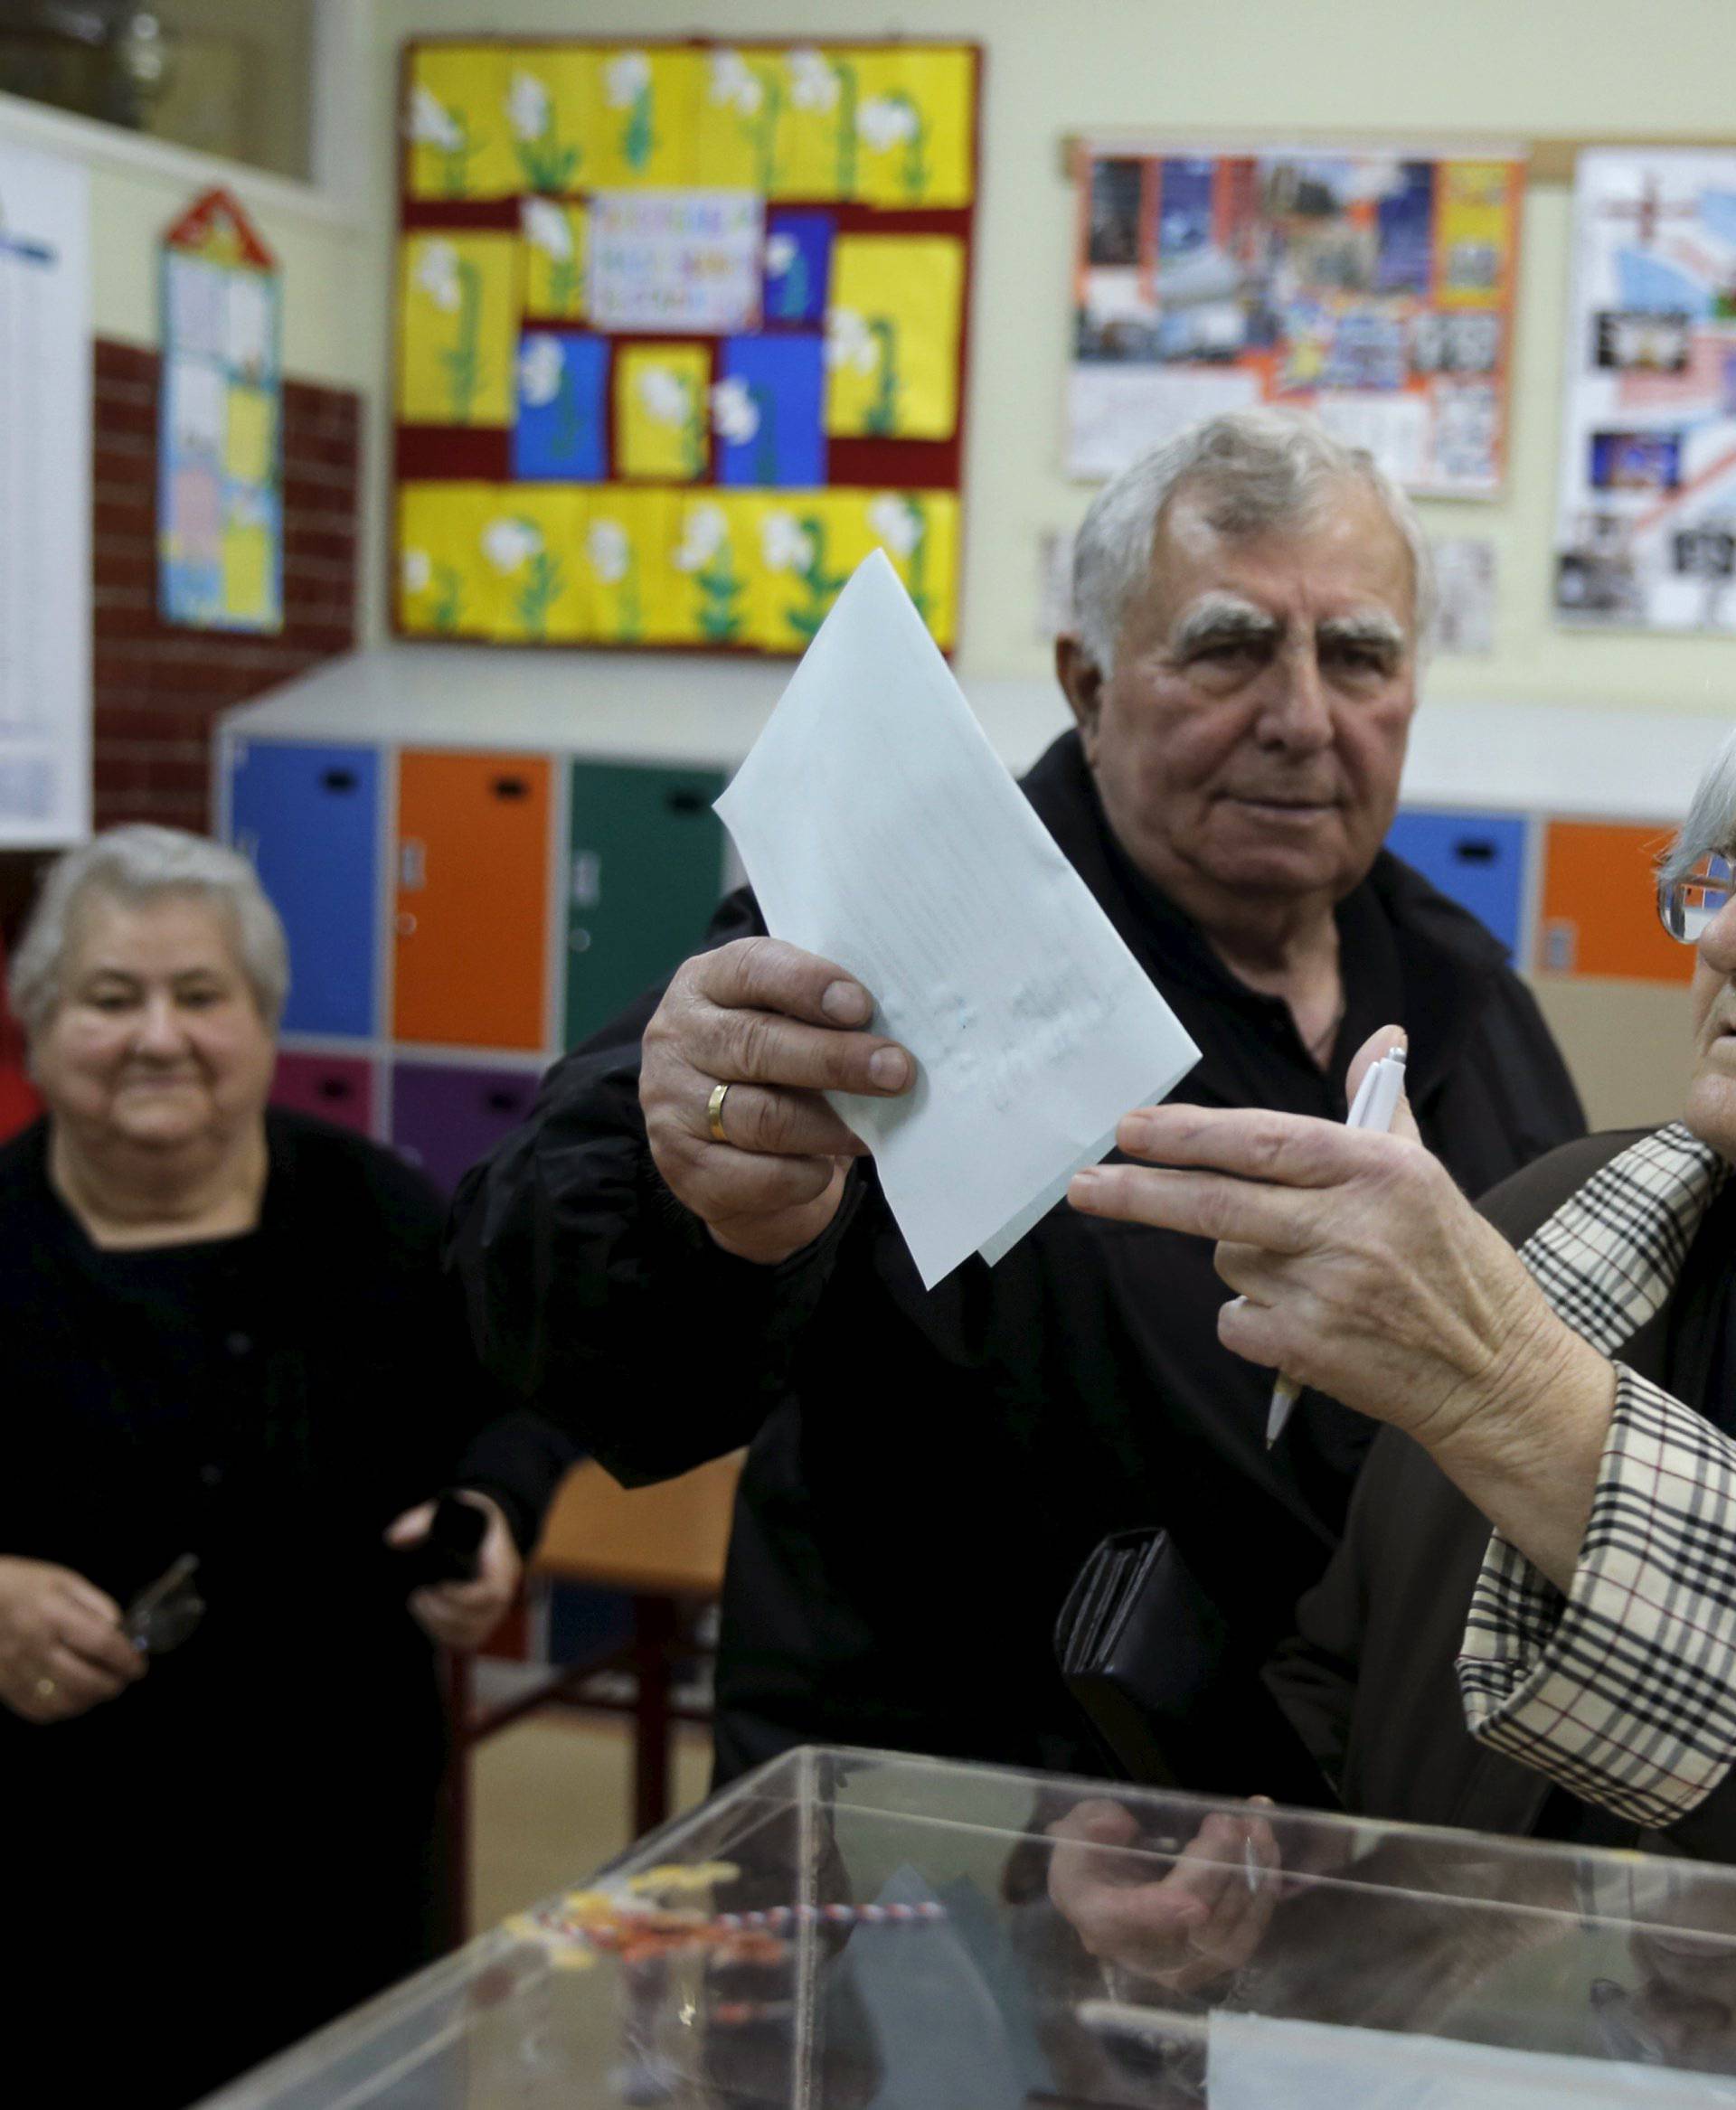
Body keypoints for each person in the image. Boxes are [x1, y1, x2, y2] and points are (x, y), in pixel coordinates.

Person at [448, 410, 1584, 1784]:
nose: (1300, 717)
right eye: (1228, 648)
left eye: (1357, 657)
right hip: (956, 1846)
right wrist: (703, 1186)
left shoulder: (1465, 990)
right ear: (1087, 681)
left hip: (1347, 1826)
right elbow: (564, 1321)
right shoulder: (903, 927)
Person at [1063, 723, 1736, 1872]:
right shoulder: (1545, 1226)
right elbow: (1353, 1683)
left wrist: (1509, 1386)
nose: (1722, 939)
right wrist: (1250, 1876)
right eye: (1724, 877)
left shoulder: (1495, 1308)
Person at [1, 827, 576, 2108]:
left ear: (263, 1024)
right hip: (48, 1889)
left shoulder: (376, 1211)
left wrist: (491, 1508)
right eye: (110, 998)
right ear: (34, 1027)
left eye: (201, 996)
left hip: (340, 1863)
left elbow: (521, 1401)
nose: (159, 1036)